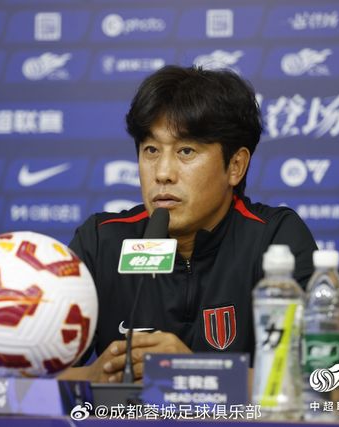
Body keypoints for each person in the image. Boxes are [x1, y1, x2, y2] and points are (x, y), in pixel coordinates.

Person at [58, 65, 317, 383]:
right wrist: (92, 377)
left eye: (186, 151)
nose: (163, 173)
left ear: (235, 166)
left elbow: (325, 386)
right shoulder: (102, 242)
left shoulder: (275, 240)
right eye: (151, 150)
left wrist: (194, 373)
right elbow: (24, 385)